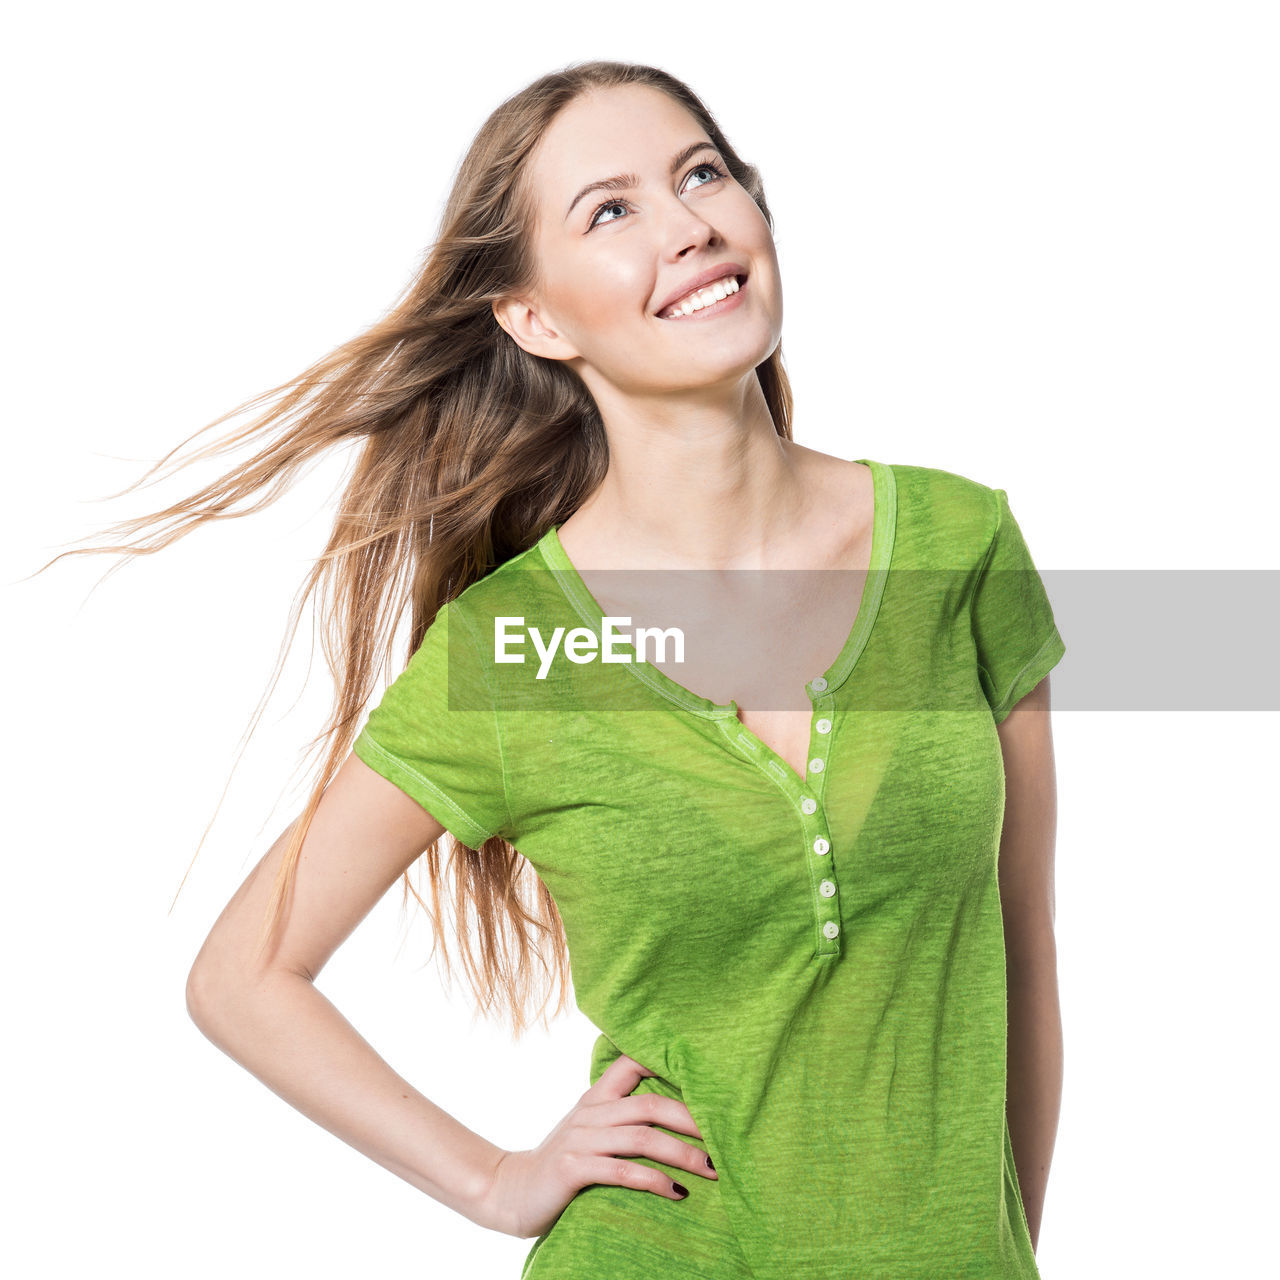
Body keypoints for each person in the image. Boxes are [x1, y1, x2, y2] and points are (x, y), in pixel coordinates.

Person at [56, 60, 1065, 1278]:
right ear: (535, 319)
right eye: (610, 210)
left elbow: (1021, 950)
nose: (688, 224)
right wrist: (495, 1178)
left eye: (701, 174)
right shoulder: (515, 649)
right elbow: (243, 974)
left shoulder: (957, 548)